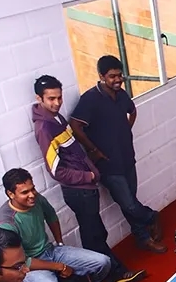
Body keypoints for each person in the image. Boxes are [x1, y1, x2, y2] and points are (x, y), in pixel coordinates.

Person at [31, 75, 145, 282]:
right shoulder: (44, 128)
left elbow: (74, 152)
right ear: (39, 98)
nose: (57, 103)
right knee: (94, 236)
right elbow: (55, 170)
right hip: (78, 192)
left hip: (86, 189)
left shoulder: (57, 119)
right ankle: (113, 274)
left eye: (59, 97)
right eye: (51, 99)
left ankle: (100, 275)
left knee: (95, 233)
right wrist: (88, 176)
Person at [0, 167, 111, 282]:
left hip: (51, 251)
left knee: (103, 262)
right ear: (10, 194)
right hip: (25, 267)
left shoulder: (36, 200)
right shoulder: (6, 223)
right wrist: (60, 267)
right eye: (25, 192)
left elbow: (51, 216)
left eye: (33, 188)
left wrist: (60, 243)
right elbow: (20, 261)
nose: (32, 194)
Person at [69, 55, 166, 254]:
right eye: (112, 76)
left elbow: (132, 110)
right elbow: (75, 125)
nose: (117, 80)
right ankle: (151, 217)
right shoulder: (90, 99)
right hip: (108, 164)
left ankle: (143, 238)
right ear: (101, 76)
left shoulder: (121, 94)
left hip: (127, 158)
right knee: (129, 204)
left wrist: (125, 130)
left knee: (129, 200)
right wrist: (93, 150)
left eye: (120, 76)